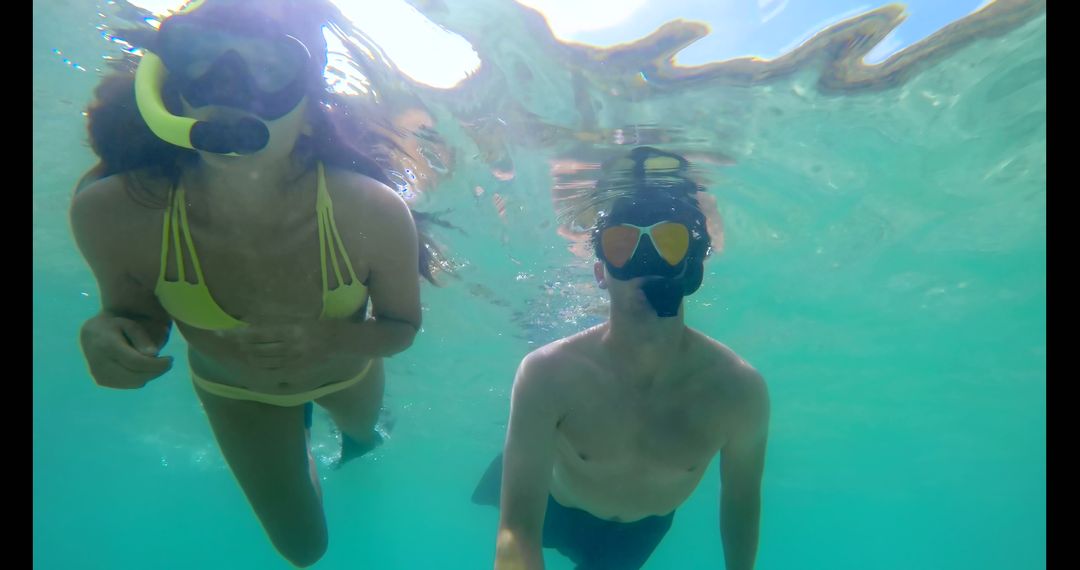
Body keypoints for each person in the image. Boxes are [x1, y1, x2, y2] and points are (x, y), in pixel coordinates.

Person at [70, 0, 430, 565]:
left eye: (268, 69)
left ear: (310, 112)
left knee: (363, 439)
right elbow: (136, 315)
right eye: (200, 61)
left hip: (348, 371)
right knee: (304, 551)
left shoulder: (371, 212)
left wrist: (329, 340)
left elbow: (402, 327)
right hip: (237, 393)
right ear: (170, 92)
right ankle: (303, 443)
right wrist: (106, 333)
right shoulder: (114, 212)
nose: (228, 89)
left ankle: (359, 440)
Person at [473, 147, 770, 570]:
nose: (643, 265)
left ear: (691, 268)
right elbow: (516, 530)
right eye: (622, 245)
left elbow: (740, 506)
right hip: (556, 504)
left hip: (638, 532)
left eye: (669, 244)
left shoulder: (740, 391)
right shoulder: (547, 374)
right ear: (600, 272)